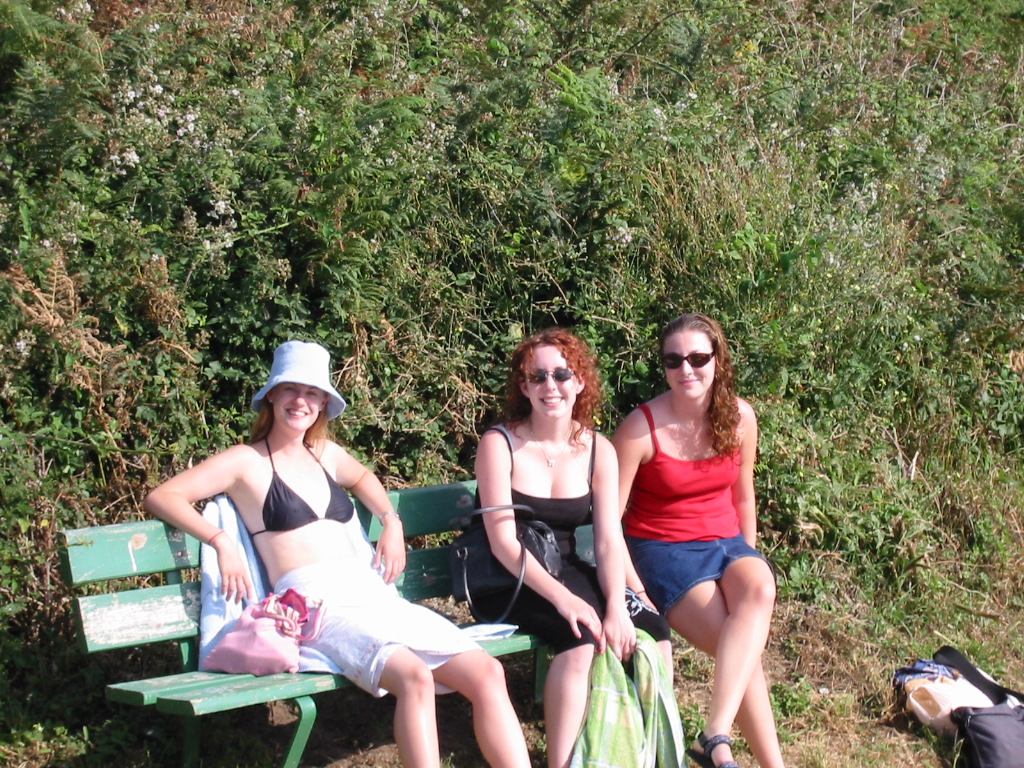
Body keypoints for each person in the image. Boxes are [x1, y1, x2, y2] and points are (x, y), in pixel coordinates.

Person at [144, 340, 531, 768]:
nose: (301, 401)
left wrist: (391, 521)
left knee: (488, 673)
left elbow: (363, 477)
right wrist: (220, 541)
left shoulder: (326, 455)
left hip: (370, 596)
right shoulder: (244, 462)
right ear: (271, 395)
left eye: (312, 393)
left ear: (324, 403)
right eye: (291, 389)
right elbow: (164, 496)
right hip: (315, 606)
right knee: (414, 677)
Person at [474, 328, 672, 768]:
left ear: (580, 381)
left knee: (654, 630)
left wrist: (620, 605)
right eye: (538, 376)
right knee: (582, 637)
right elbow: (503, 543)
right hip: (511, 578)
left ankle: (648, 752)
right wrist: (565, 600)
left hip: (567, 568)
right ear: (524, 386)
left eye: (562, 374)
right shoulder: (499, 444)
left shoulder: (598, 449)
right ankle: (562, 762)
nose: (551, 386)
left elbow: (608, 539)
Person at [613, 313, 785, 768]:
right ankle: (748, 756)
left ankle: (714, 735)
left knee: (760, 588)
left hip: (727, 542)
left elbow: (743, 494)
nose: (685, 369)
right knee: (740, 650)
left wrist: (747, 557)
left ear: (717, 359)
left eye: (697, 358)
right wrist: (635, 586)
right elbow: (608, 519)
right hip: (662, 549)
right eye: (673, 360)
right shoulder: (639, 429)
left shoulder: (741, 417)